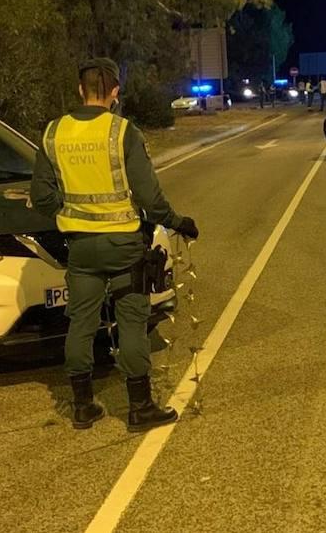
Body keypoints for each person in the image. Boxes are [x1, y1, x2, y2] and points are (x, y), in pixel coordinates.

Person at [31, 58, 198, 432]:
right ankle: (139, 408)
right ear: (115, 93)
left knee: (81, 324)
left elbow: (41, 198)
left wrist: (69, 212)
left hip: (81, 249)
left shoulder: (54, 133)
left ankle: (82, 407)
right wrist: (177, 222)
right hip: (124, 246)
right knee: (132, 323)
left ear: (80, 90)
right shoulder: (123, 132)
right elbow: (149, 197)